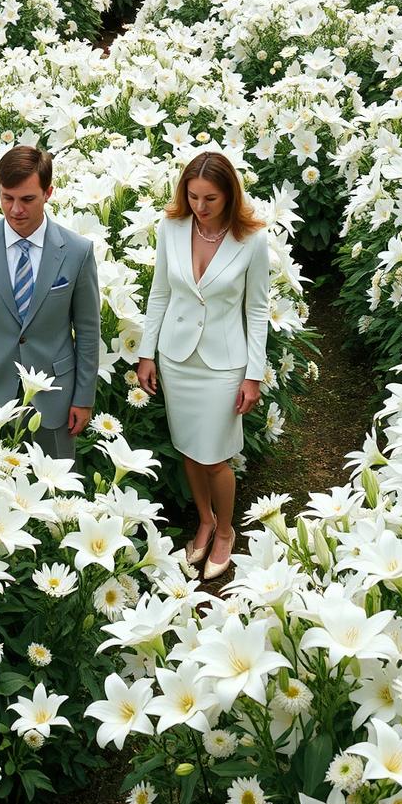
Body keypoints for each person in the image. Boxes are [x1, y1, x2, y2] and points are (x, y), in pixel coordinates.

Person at [136, 152, 269, 581]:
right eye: (192, 196)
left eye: (210, 198)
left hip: (223, 363)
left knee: (216, 458)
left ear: (230, 194)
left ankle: (226, 531)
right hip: (177, 359)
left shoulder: (251, 240)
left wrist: (253, 373)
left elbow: (259, 310)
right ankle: (205, 520)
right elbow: (160, 294)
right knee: (189, 450)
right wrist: (146, 353)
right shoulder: (171, 228)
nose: (200, 206)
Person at [0, 145, 100, 460]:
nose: (16, 209)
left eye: (27, 199)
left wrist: (83, 399)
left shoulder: (77, 251)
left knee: (56, 487)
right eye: (8, 198)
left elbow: (88, 332)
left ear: (48, 193)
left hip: (55, 398)